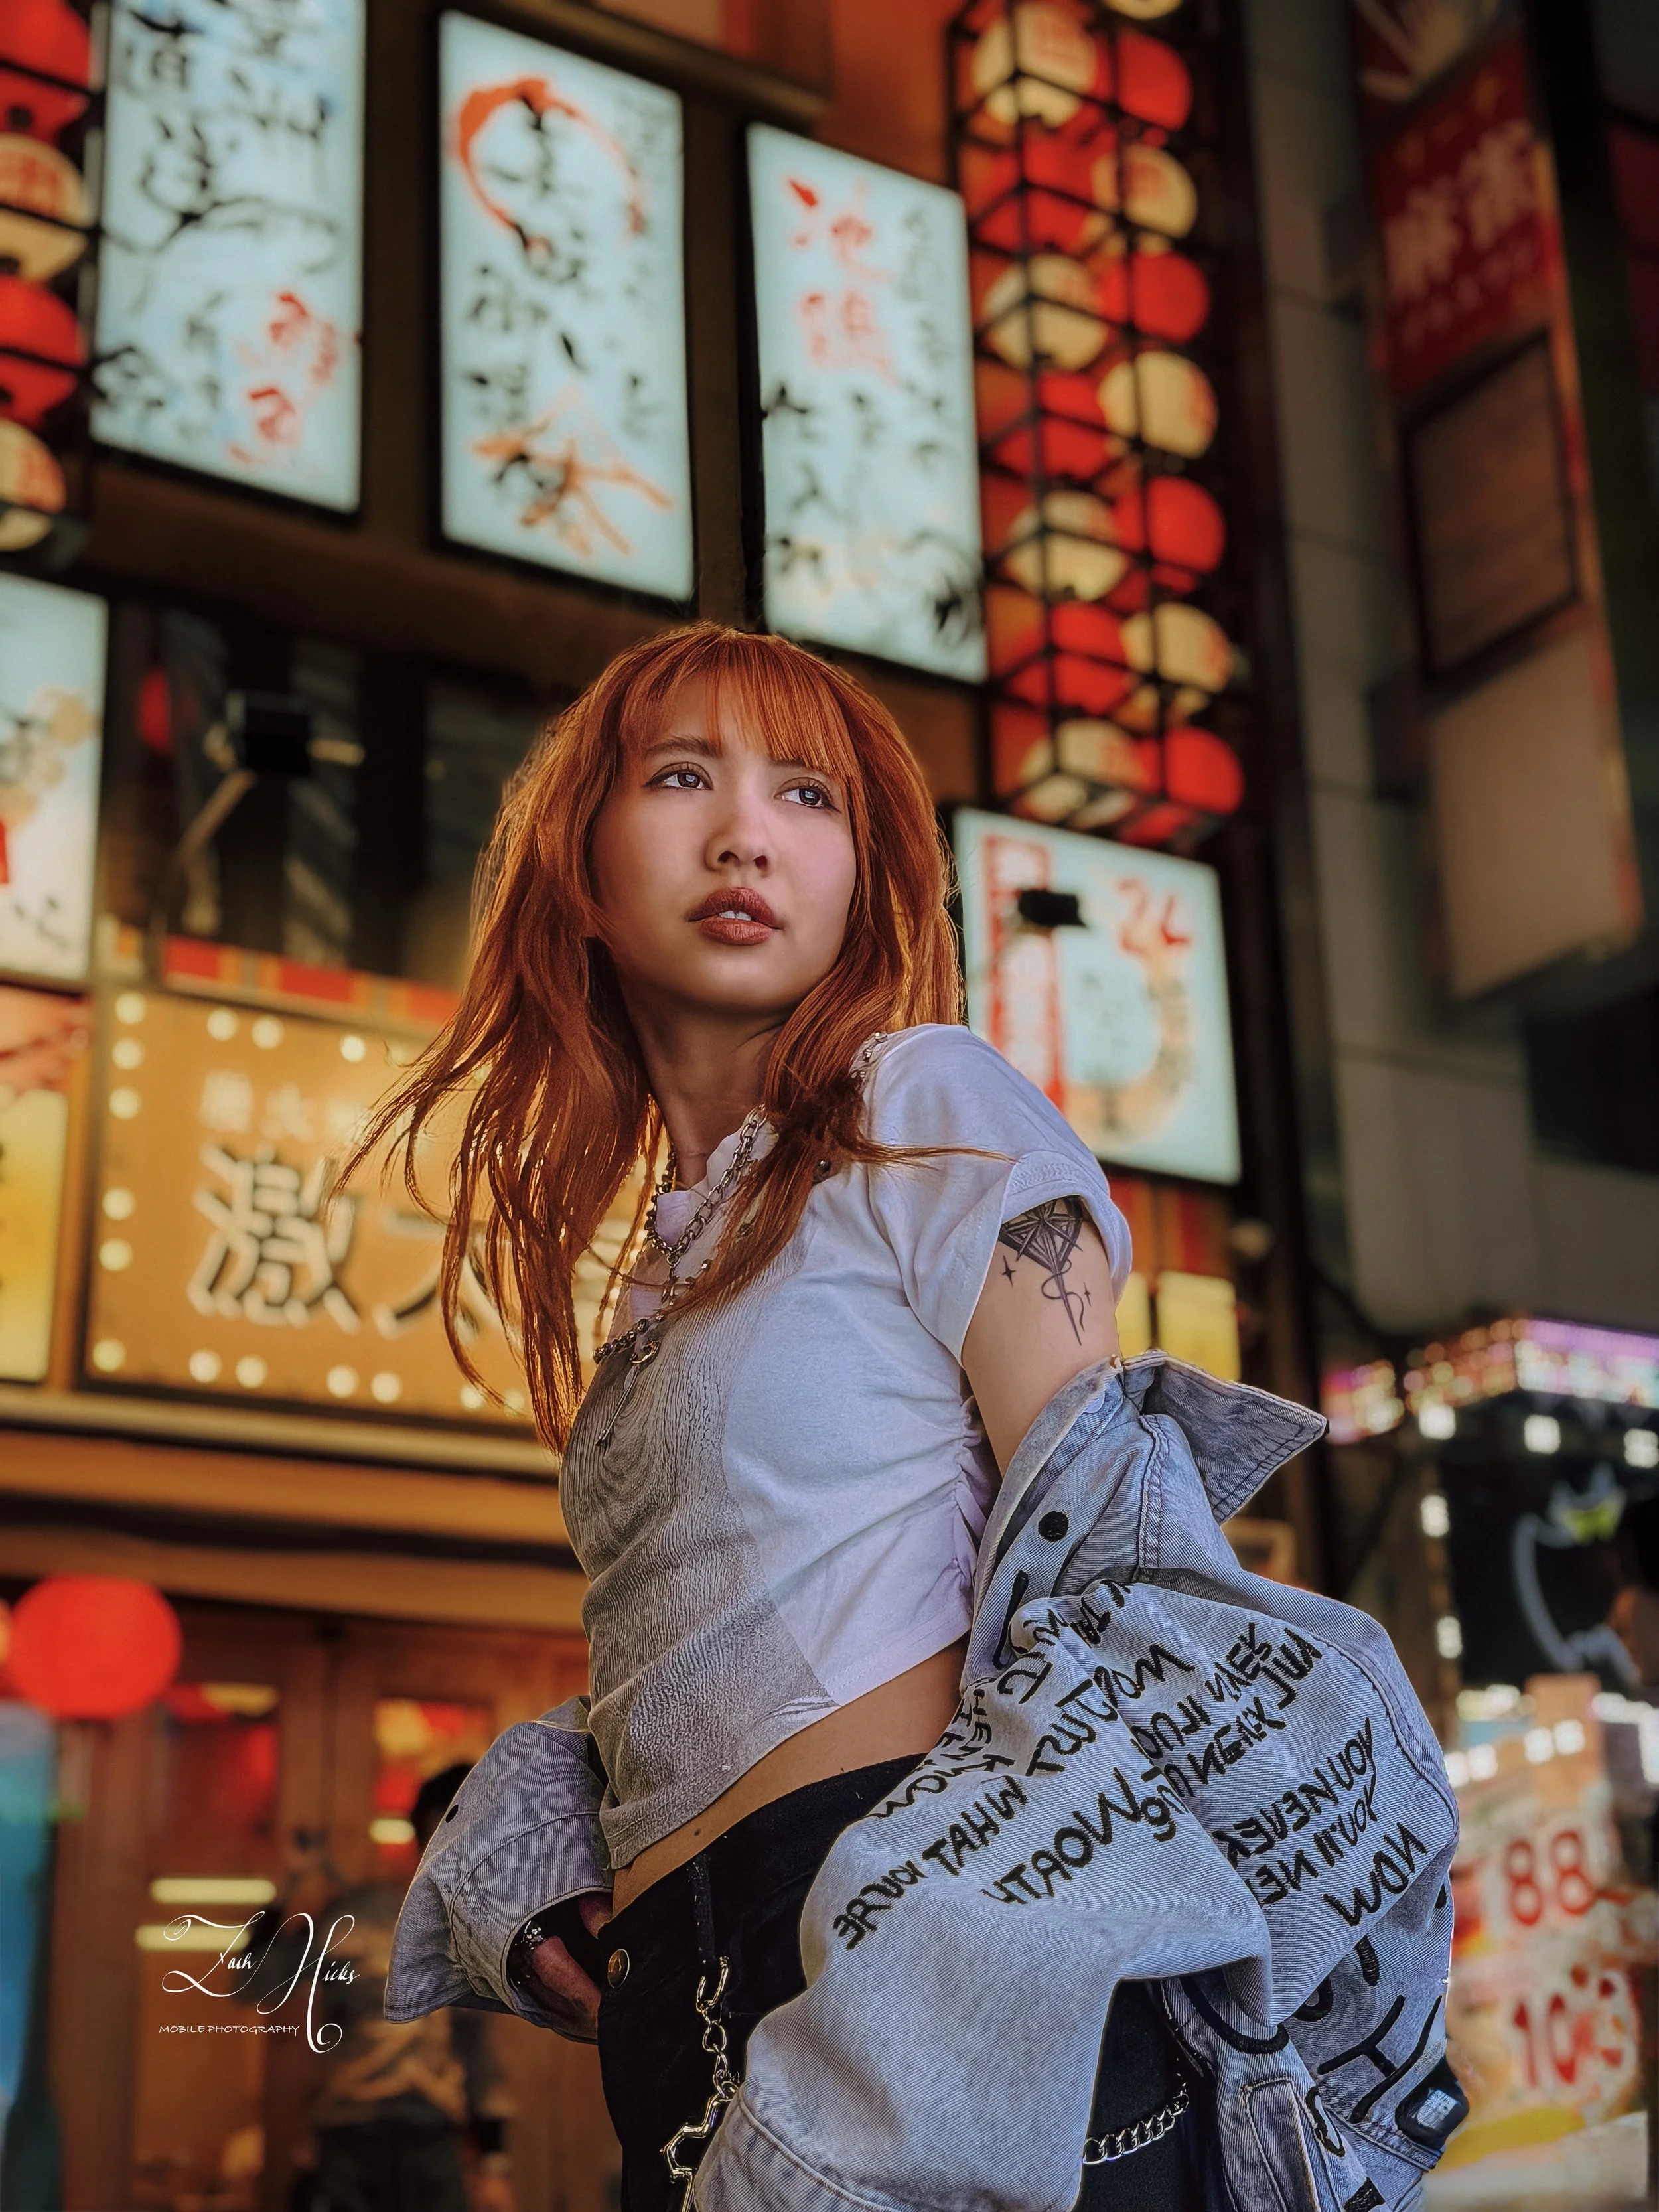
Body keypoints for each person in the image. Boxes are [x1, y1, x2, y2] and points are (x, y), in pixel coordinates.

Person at [358, 623, 1206, 2209]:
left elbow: (1111, 1573)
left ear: (861, 881)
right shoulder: (655, 1278)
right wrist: (556, 1817)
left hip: (934, 1948)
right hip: (681, 1995)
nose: (745, 833)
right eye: (682, 777)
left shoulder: (922, 1104)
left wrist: (915, 1971)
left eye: (806, 795)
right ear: (583, 875)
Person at [247, 1764, 516, 2212]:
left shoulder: (469, 1926)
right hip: (352, 2131)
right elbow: (252, 1981)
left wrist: (493, 2160)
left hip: (433, 2136)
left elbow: (478, 2050)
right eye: (451, 1826)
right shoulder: (354, 1916)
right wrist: (286, 1889)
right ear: (425, 1830)